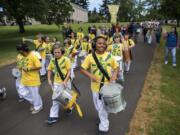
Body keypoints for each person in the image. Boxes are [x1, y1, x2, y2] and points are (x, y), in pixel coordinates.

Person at [80, 36, 119, 135]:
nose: (102, 45)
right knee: (98, 106)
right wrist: (90, 75)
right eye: (99, 43)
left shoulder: (110, 56)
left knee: (102, 108)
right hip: (95, 87)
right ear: (94, 44)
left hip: (107, 87)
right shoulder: (90, 57)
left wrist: (114, 75)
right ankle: (103, 118)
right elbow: (82, 69)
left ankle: (104, 127)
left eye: (103, 43)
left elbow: (116, 67)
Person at [46, 44, 72, 124]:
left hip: (65, 82)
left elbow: (69, 71)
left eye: (58, 52)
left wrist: (65, 81)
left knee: (67, 98)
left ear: (62, 52)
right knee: (55, 99)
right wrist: (49, 79)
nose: (56, 54)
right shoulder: (53, 60)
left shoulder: (66, 59)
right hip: (56, 83)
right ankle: (53, 116)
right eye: (55, 52)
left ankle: (69, 108)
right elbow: (49, 70)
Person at [18, 43, 43, 114]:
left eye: (20, 51)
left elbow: (39, 66)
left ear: (24, 50)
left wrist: (29, 69)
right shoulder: (21, 56)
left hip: (33, 80)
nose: (19, 52)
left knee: (35, 94)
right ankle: (34, 101)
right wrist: (17, 72)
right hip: (24, 79)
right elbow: (20, 66)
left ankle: (38, 106)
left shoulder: (33, 56)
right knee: (21, 91)